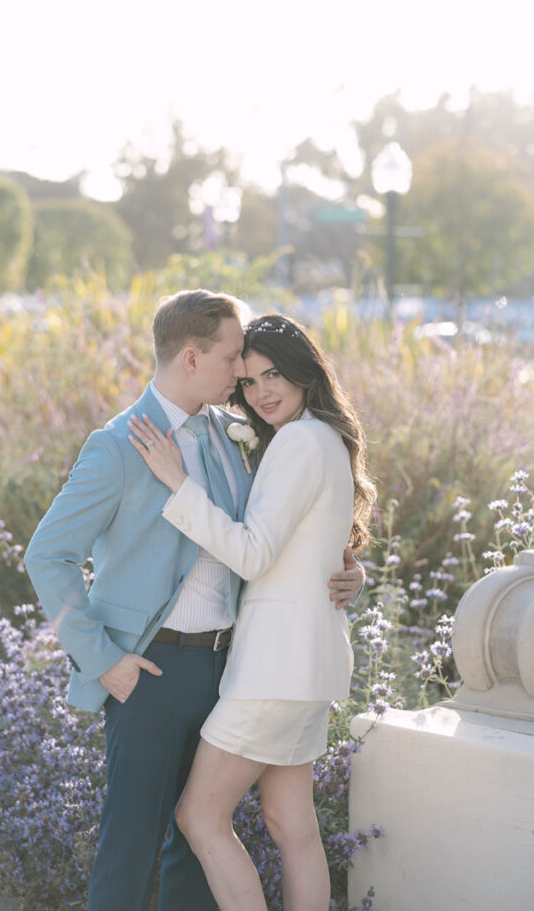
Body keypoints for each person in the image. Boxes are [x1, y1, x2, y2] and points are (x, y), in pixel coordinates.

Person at [24, 291, 365, 911]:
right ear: (190, 356)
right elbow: (47, 557)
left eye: (255, 366)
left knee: (194, 849)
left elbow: (274, 535)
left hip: (228, 665)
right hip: (148, 671)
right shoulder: (118, 445)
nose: (243, 374)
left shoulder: (232, 436)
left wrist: (346, 568)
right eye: (235, 357)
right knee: (132, 842)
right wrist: (102, 659)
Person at [128, 312, 376, 911]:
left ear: (305, 375)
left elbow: (253, 554)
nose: (261, 392)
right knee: (292, 826)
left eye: (274, 376)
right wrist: (354, 574)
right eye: (249, 381)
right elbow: (317, 550)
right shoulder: (325, 437)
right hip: (308, 668)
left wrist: (177, 483)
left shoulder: (297, 441)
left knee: (200, 817)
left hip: (273, 671)